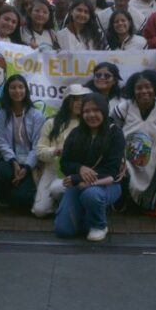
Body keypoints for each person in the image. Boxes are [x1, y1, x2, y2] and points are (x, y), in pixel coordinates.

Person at [54, 93, 125, 241]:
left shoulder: (115, 133)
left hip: (107, 184)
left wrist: (78, 178)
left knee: (91, 195)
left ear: (104, 111)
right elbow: (65, 163)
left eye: (96, 110)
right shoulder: (76, 133)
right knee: (63, 230)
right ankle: (88, 216)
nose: (91, 115)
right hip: (79, 184)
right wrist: (80, 168)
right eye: (86, 111)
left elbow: (111, 170)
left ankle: (99, 225)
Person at [112, 71, 156, 213]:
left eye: (148, 87)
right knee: (121, 178)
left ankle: (141, 203)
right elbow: (112, 135)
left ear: (155, 88)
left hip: (154, 163)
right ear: (132, 90)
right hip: (126, 161)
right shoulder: (124, 108)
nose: (144, 91)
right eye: (139, 88)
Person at [33, 84, 89, 217]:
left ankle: (68, 205)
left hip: (78, 172)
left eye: (82, 99)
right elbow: (39, 151)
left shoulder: (89, 122)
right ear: (67, 101)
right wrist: (55, 151)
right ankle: (61, 204)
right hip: (52, 170)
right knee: (40, 211)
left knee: (57, 189)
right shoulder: (51, 123)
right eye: (75, 99)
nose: (79, 103)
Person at [0, 74, 45, 212]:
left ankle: (17, 192)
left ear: (26, 90)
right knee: (1, 171)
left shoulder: (37, 115)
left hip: (30, 163)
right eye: (13, 87)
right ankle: (5, 192)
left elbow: (37, 145)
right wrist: (14, 163)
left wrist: (26, 167)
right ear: (7, 91)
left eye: (21, 87)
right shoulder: (1, 115)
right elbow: (2, 143)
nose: (17, 91)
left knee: (22, 200)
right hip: (10, 161)